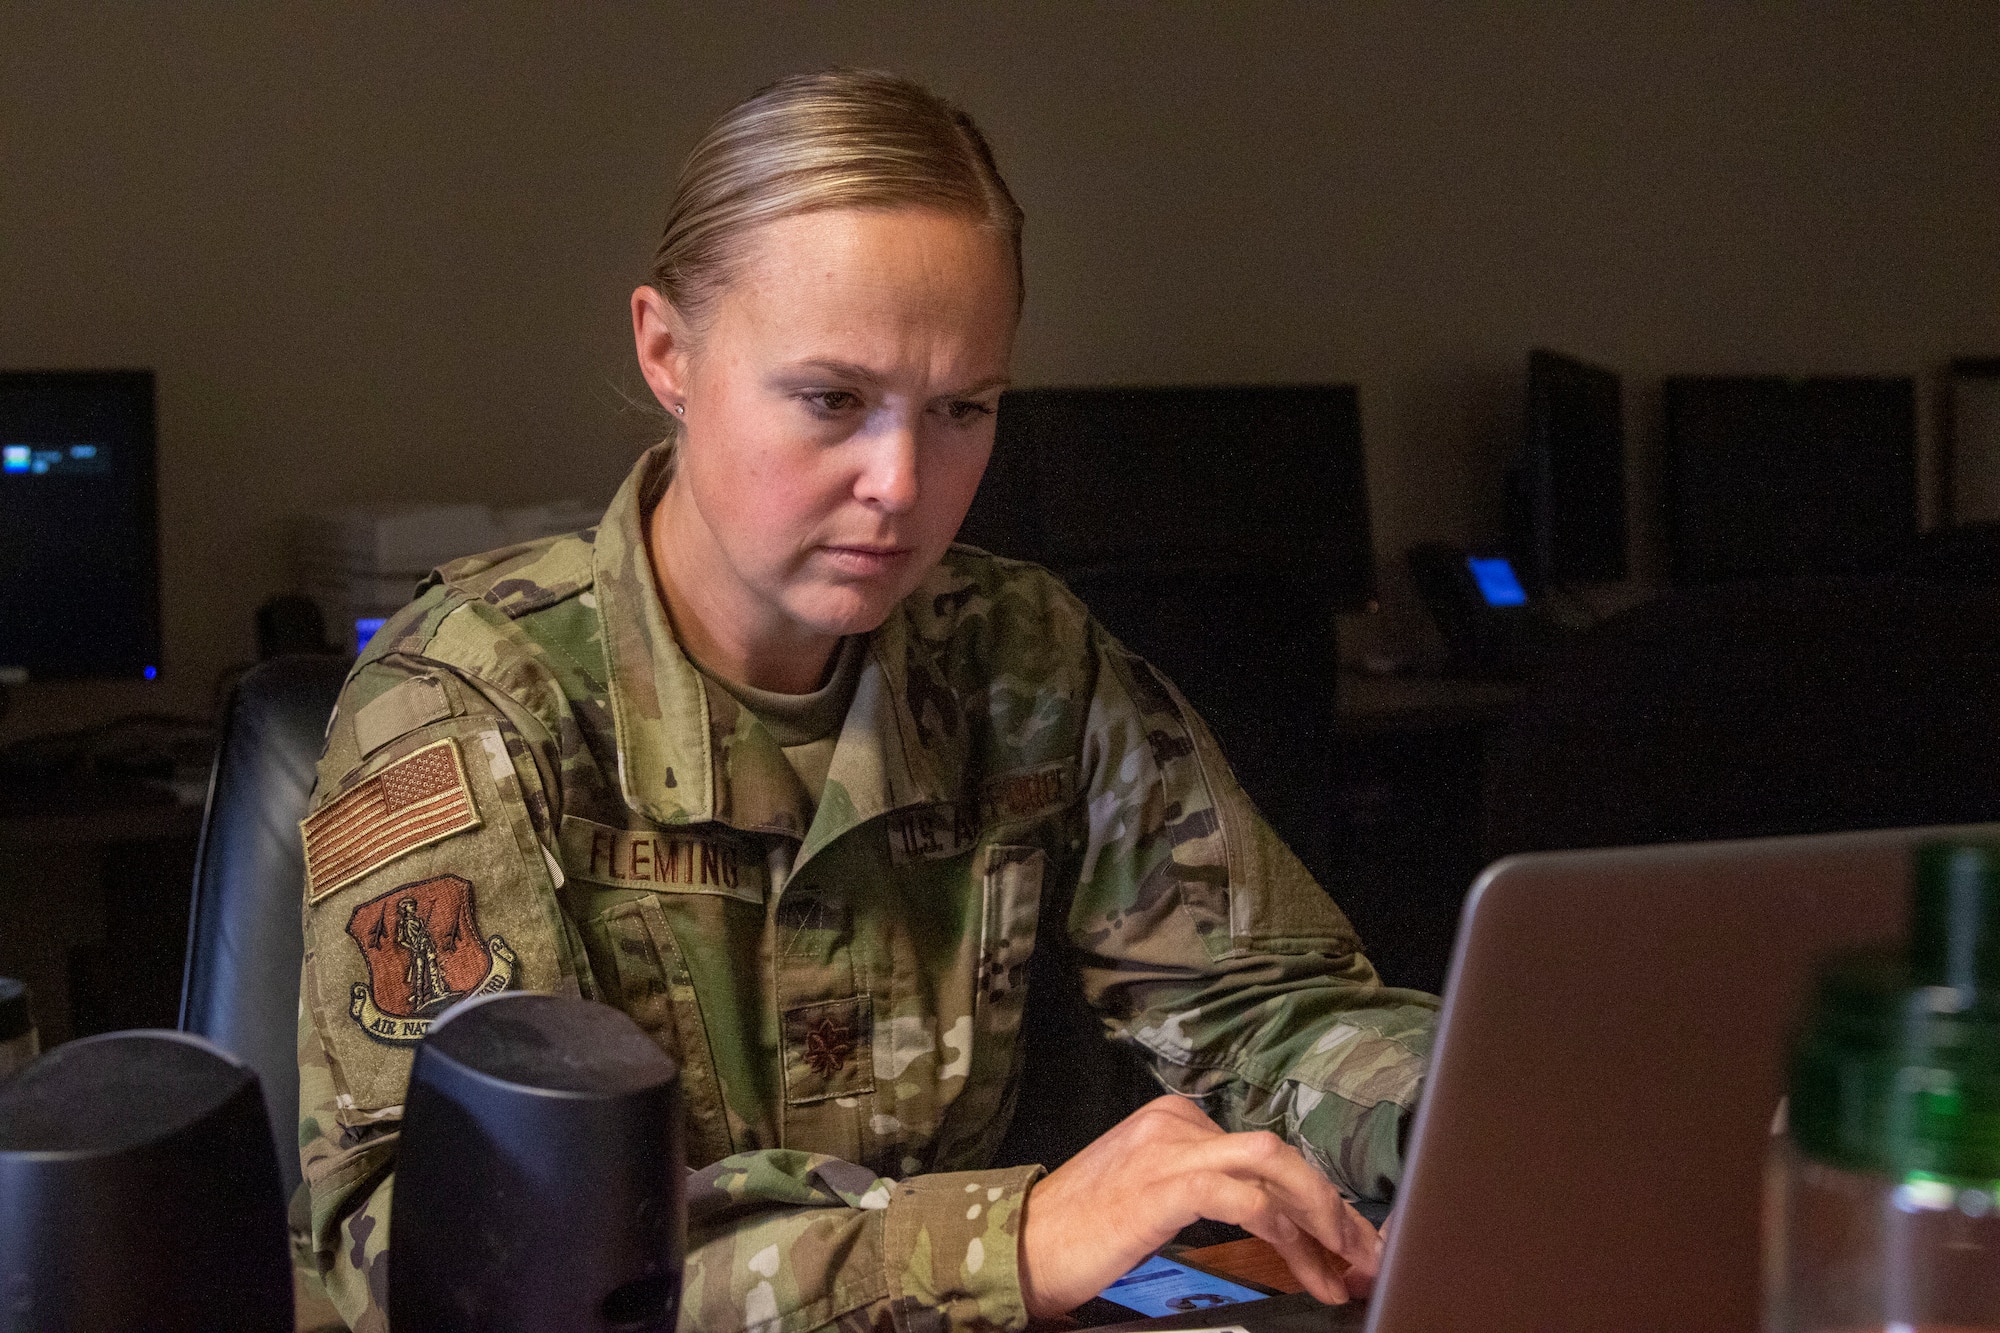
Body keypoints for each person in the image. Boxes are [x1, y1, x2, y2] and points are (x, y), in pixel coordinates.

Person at [296, 68, 1438, 1332]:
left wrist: (1462, 1114)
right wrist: (1005, 1241)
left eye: (962, 409)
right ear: (667, 351)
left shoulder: (1018, 653)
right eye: (833, 400)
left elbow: (1258, 1007)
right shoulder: (469, 704)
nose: (901, 482)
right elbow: (446, 1253)